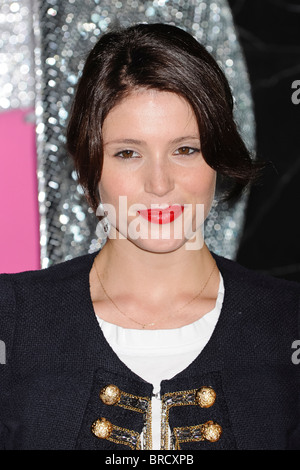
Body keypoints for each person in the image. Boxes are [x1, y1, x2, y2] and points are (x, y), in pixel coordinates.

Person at [0, 23, 299, 451]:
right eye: (128, 153)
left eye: (185, 150)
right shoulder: (11, 320)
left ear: (217, 158)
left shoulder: (287, 321)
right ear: (89, 164)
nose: (159, 184)